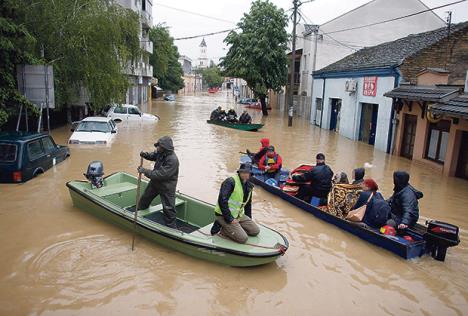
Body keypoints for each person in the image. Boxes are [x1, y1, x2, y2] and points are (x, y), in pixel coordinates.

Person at [210, 163, 260, 243]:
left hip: (238, 215)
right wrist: (230, 219)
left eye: (247, 172)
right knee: (243, 239)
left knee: (255, 231)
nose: (245, 174)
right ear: (239, 172)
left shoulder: (249, 185)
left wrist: (249, 219)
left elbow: (247, 204)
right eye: (243, 172)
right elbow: (222, 201)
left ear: (250, 174)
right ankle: (222, 229)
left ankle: (235, 228)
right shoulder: (230, 182)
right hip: (224, 215)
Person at [137, 136, 180, 229]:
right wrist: (145, 155)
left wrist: (144, 171)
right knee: (145, 199)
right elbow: (153, 156)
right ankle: (139, 215)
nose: (157, 148)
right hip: (155, 183)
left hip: (167, 187)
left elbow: (160, 174)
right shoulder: (161, 152)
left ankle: (171, 228)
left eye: (159, 147)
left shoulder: (173, 160)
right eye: (158, 146)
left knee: (168, 208)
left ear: (165, 148)